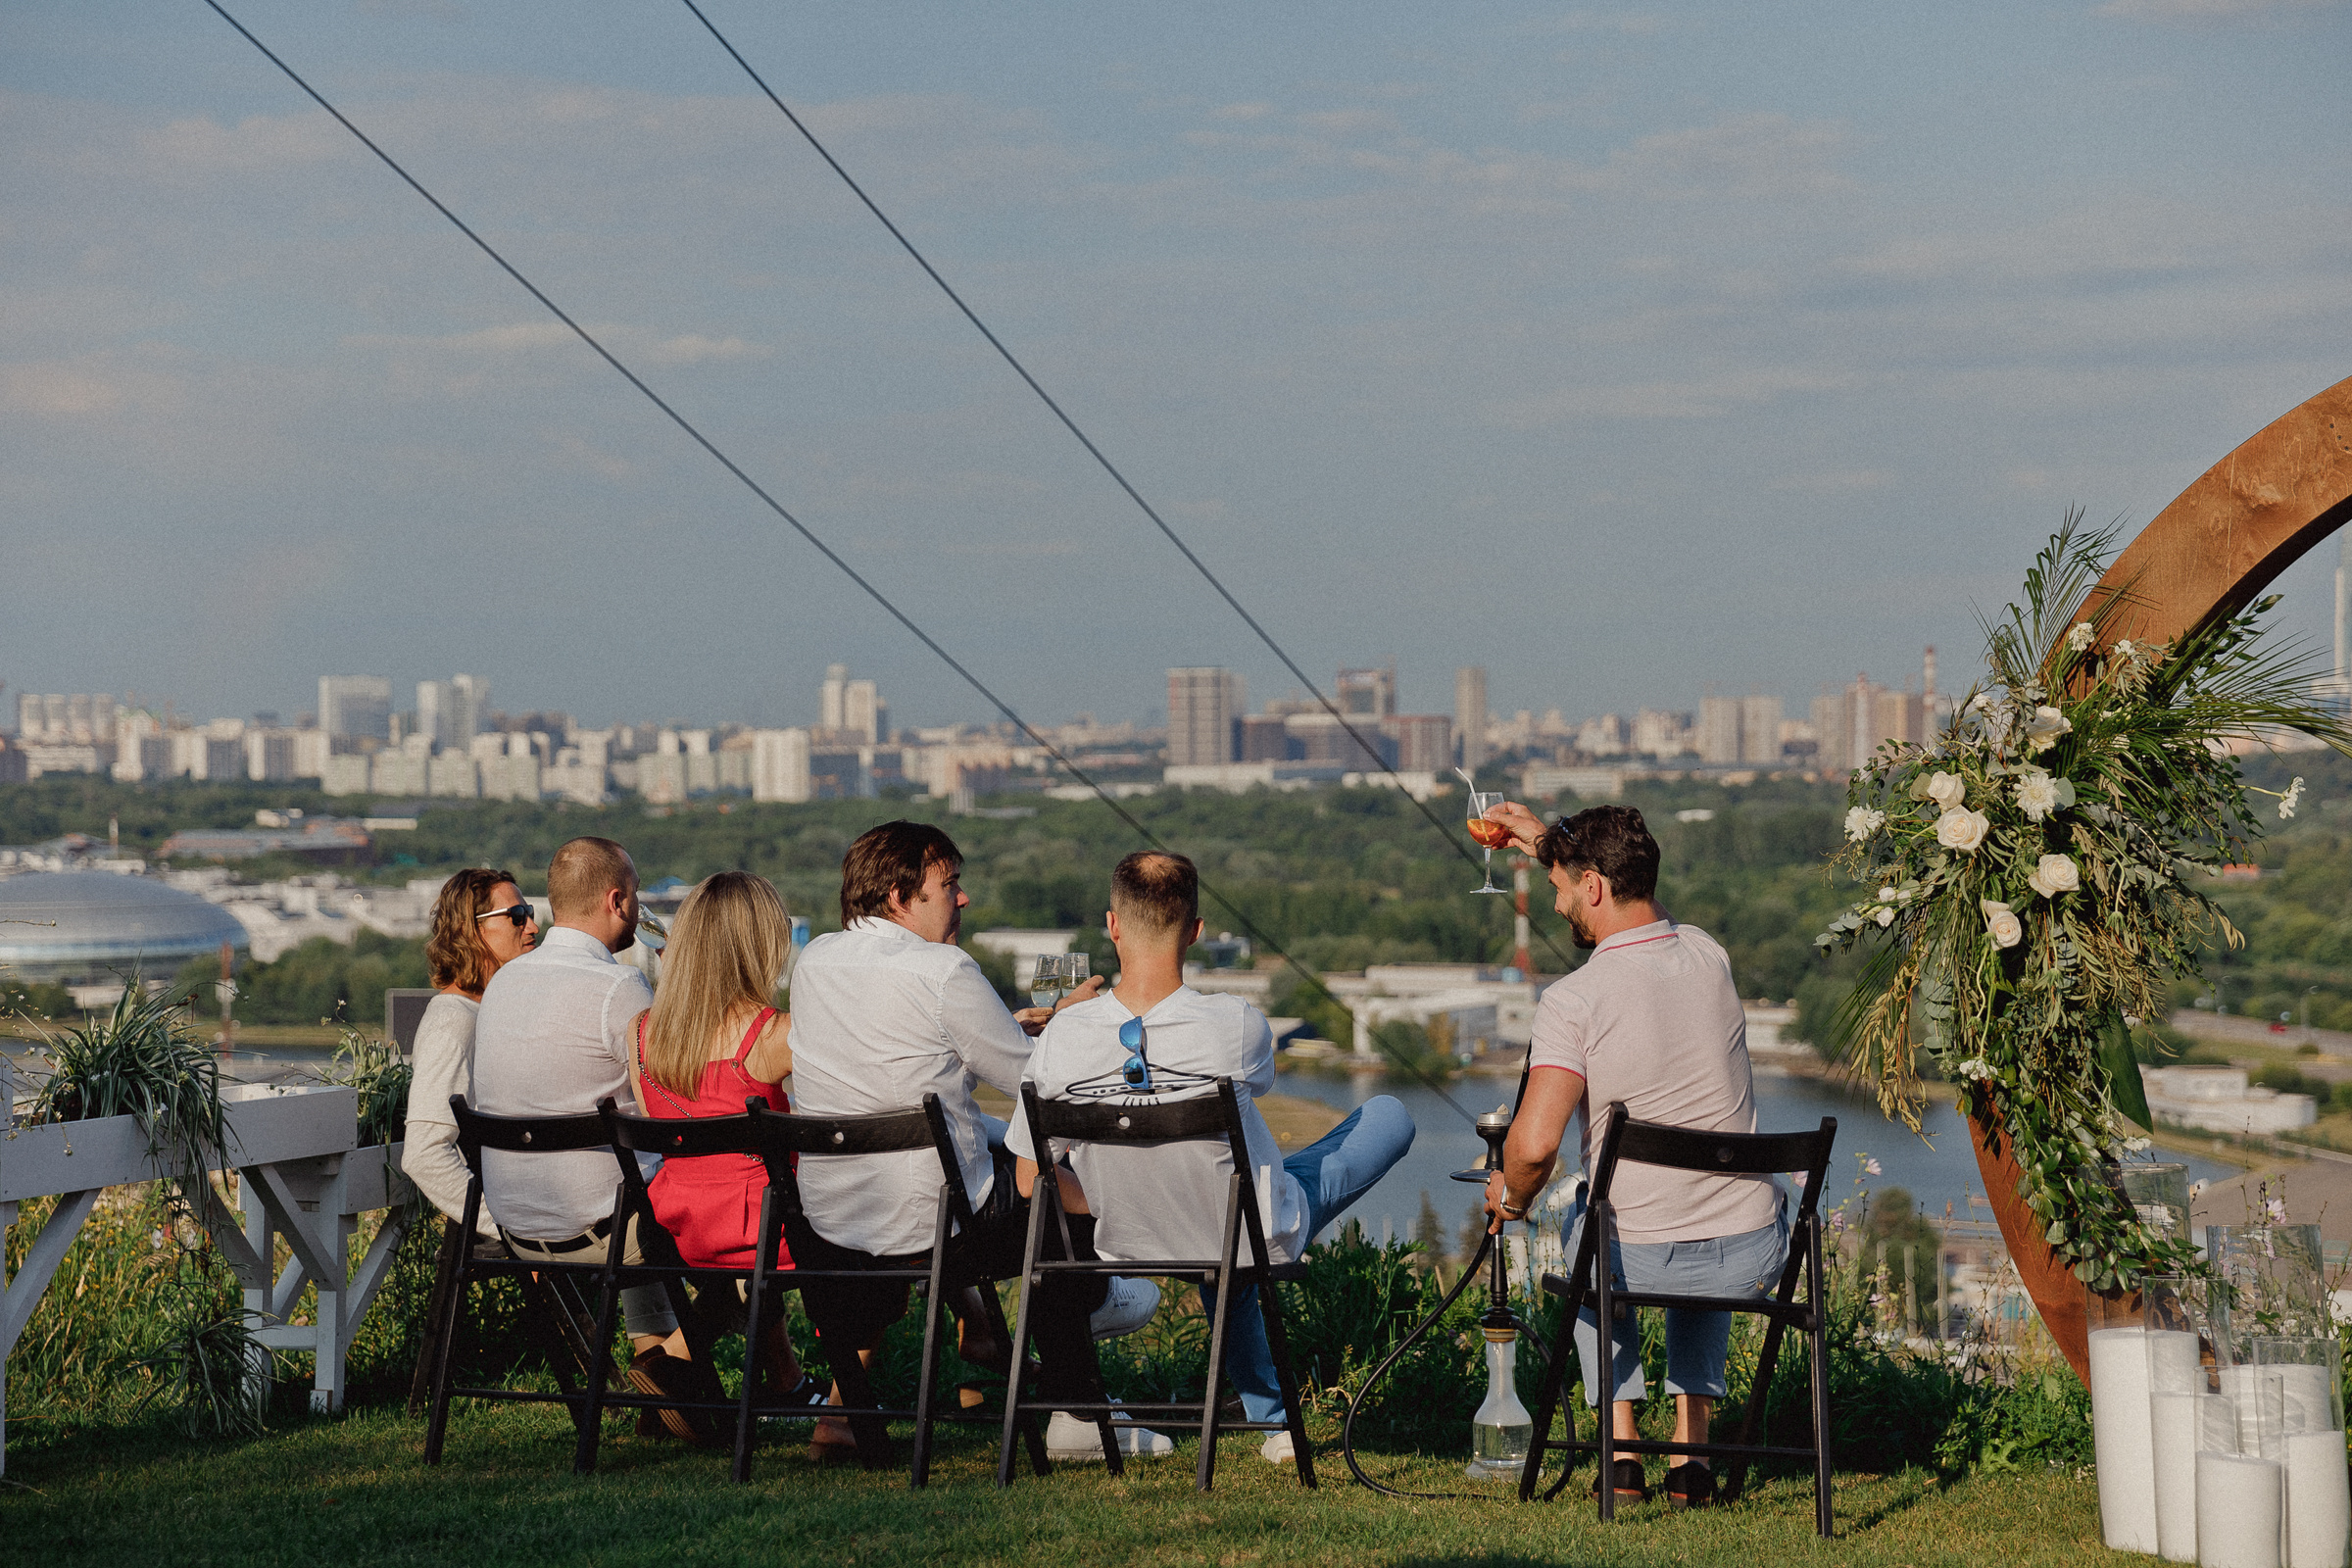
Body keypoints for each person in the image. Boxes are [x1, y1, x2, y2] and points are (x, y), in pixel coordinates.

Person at [1006, 850, 1415, 1465]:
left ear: (1112, 926)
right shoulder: (1236, 1024)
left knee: (1228, 1200)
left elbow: (1029, 1179)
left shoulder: (1062, 1036)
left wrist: (1120, 1197)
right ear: (1196, 931)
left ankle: (1271, 1415)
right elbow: (1257, 1086)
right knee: (1388, 1114)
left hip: (1127, 1238)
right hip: (1238, 1232)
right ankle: (1273, 1421)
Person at [786, 819, 1163, 1461]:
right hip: (937, 1229)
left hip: (834, 1223)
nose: (963, 898)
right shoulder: (944, 970)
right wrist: (1070, 1027)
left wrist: (994, 1032)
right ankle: (1078, 1394)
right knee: (1057, 1195)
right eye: (949, 885)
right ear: (900, 898)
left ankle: (856, 1408)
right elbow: (1034, 1083)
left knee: (997, 1163)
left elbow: (898, 1069)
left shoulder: (816, 960)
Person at [1479, 803, 1786, 1509]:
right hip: (1751, 1257)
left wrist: (1513, 1199)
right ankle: (1691, 1456)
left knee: (1586, 1221)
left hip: (1633, 1262)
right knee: (1708, 1204)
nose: (1559, 903)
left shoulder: (1573, 999)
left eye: (1562, 889)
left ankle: (1620, 1453)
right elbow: (1646, 913)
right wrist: (1548, 846)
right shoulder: (1710, 956)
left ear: (1593, 885)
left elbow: (1534, 1147)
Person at [469, 836, 697, 1437]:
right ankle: (670, 1366)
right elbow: (671, 1102)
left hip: (517, 1229)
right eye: (636, 895)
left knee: (637, 1186)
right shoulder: (620, 987)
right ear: (617, 901)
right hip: (600, 1230)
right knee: (745, 1222)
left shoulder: (504, 985)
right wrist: (679, 987)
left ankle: (669, 1405)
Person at [625, 869, 817, 1402]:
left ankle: (690, 1372)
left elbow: (666, 1131)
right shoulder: (775, 1033)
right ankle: (671, 1366)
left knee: (744, 1253)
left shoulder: (642, 1032)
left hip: (680, 1228)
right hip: (768, 1231)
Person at [403, 867, 537, 1239]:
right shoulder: (453, 1024)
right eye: (517, 916)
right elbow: (424, 1155)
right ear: (472, 930)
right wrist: (512, 1228)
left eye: (529, 913)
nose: (532, 927)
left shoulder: (489, 1012)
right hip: (508, 1237)